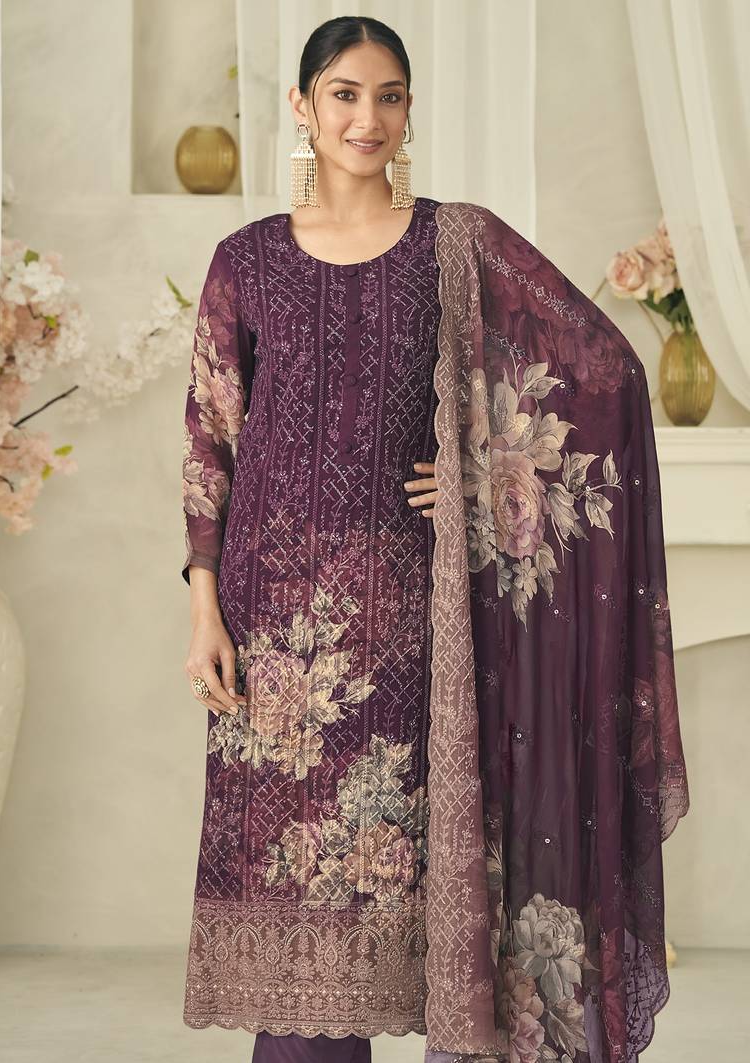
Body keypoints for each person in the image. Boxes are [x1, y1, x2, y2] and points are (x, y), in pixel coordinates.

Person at [180, 15, 689, 1063]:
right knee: (299, 955)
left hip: (413, 629)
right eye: (344, 94)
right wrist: (203, 611)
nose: (366, 118)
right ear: (303, 107)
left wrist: (484, 468)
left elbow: (602, 373)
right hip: (273, 638)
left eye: (389, 96)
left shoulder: (455, 244)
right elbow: (209, 443)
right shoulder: (246, 261)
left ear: (408, 111)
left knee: (416, 899)